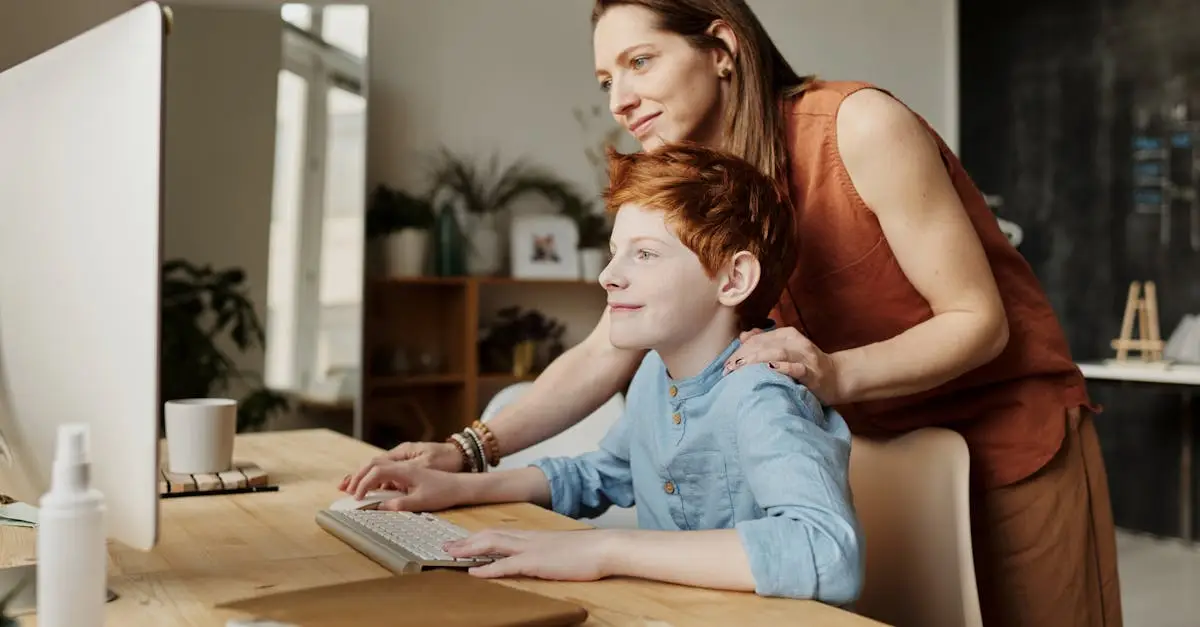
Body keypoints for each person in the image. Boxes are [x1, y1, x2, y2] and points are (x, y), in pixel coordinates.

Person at [344, 1, 1121, 625]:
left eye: (640, 61)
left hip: (1009, 435)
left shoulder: (858, 126)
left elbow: (977, 319)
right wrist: (465, 450)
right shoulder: (686, 179)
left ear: (721, 46)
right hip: (867, 444)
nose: (620, 97)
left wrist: (833, 372)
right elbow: (604, 350)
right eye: (605, 78)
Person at [344, 144, 864, 604]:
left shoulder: (762, 394)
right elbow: (603, 474)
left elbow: (827, 551)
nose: (608, 275)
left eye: (644, 254)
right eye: (617, 252)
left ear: (733, 279)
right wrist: (456, 487)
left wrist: (605, 548)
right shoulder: (653, 377)